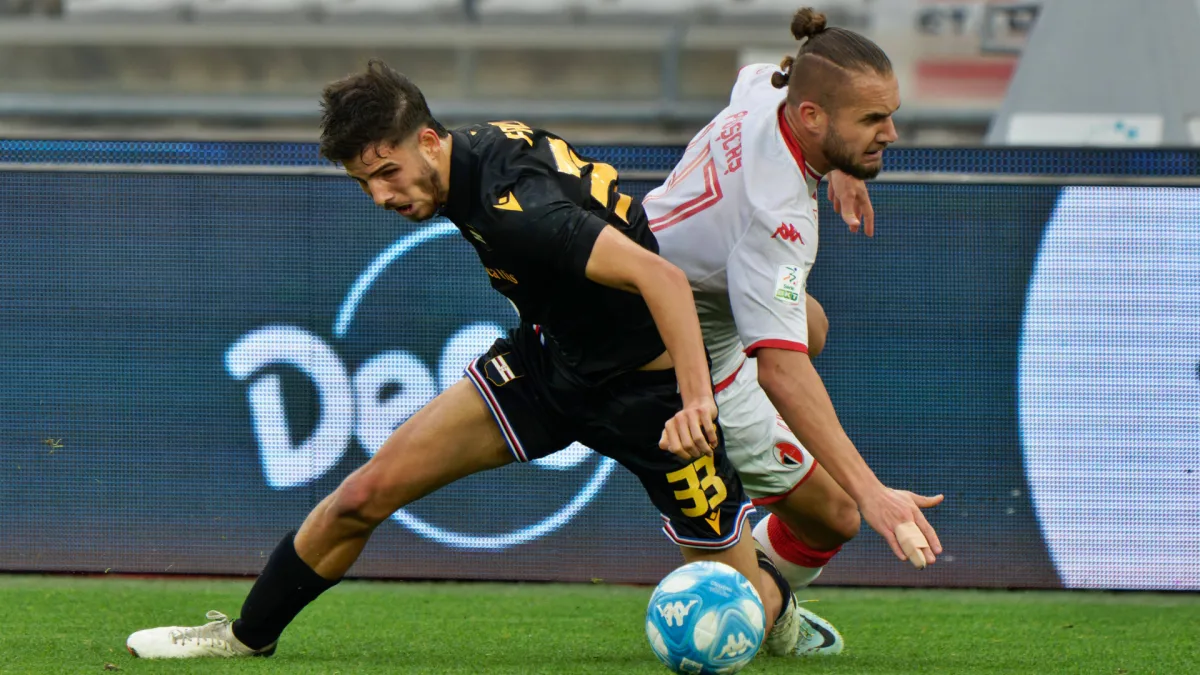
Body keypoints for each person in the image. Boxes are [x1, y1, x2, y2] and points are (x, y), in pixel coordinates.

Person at [125, 59, 811, 660]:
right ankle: (246, 636)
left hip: (651, 400)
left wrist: (696, 401)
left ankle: (779, 599)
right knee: (363, 494)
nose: (384, 196)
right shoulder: (475, 151)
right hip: (548, 368)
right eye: (366, 183)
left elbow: (660, 279)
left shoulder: (518, 210)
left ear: (427, 140)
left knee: (737, 609)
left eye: (388, 173)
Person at [644, 7, 945, 656]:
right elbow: (781, 370)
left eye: (888, 114)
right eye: (872, 120)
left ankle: (747, 581)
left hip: (665, 281)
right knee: (835, 510)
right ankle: (760, 609)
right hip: (677, 345)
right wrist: (876, 497)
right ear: (813, 118)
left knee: (812, 325)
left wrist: (837, 160)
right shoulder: (778, 215)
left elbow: (761, 75)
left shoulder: (771, 91)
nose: (890, 132)